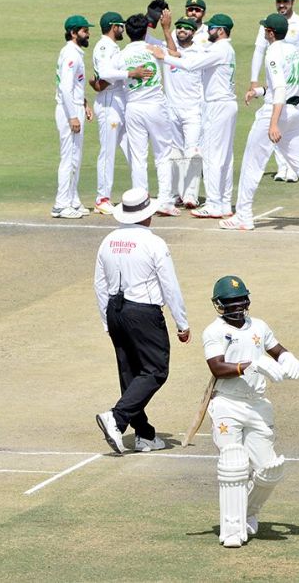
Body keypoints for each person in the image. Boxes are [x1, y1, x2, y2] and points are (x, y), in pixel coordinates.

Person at [202, 275, 299, 548]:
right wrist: (250, 365)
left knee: (270, 469)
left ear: (247, 300)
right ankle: (231, 529)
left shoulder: (259, 326)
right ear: (219, 305)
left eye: (240, 300)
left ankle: (247, 512)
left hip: (257, 405)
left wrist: (286, 357)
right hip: (228, 404)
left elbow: (275, 348)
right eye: (230, 302)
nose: (236, 307)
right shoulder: (214, 331)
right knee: (233, 463)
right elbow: (216, 367)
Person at [221, 13, 299, 232]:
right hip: (293, 111)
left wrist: (273, 123)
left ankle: (244, 216)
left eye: (265, 29)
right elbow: (282, 85)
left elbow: (280, 89)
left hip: (276, 111)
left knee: (252, 163)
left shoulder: (273, 52)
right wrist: (258, 91)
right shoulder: (293, 51)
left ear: (269, 33)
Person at [94, 187, 192, 454]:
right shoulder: (154, 242)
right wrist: (181, 323)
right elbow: (169, 286)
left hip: (115, 310)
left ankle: (144, 435)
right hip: (143, 312)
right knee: (155, 370)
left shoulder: (108, 241)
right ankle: (116, 418)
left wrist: (107, 320)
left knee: (130, 372)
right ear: (146, 215)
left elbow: (100, 285)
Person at [148, 13, 238, 219]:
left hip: (217, 105)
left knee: (213, 156)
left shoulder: (220, 49)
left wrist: (164, 57)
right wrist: (172, 51)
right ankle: (223, 203)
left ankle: (215, 203)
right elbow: (188, 58)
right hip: (223, 104)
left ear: (221, 30)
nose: (207, 32)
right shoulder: (223, 49)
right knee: (224, 156)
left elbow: (190, 65)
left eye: (211, 28)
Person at [250, 0, 299, 183]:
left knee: (289, 121)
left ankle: (292, 167)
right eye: (279, 1)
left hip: (294, 83)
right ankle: (283, 168)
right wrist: (253, 80)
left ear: (293, 2)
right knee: (276, 119)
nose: (282, 5)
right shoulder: (269, 24)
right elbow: (258, 50)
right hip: (275, 79)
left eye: (286, 1)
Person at [89, 12, 153, 215]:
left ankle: (141, 194)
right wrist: (131, 74)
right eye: (120, 26)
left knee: (131, 149)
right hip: (109, 103)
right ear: (113, 27)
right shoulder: (104, 46)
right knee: (108, 151)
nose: (123, 30)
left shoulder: (113, 47)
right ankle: (102, 198)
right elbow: (106, 74)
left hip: (120, 102)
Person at [119, 13, 181, 216]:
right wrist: (166, 28)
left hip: (133, 107)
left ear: (128, 33)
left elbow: (107, 75)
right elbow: (175, 54)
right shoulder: (153, 49)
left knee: (138, 157)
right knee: (163, 154)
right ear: (146, 30)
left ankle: (140, 201)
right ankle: (164, 201)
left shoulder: (121, 55)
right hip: (155, 106)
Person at [158, 16, 206, 209]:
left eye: (186, 28)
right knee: (175, 153)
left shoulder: (200, 51)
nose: (182, 31)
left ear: (193, 32)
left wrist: (166, 30)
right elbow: (170, 51)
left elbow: (176, 56)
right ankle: (179, 193)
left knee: (193, 152)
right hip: (171, 108)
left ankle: (191, 196)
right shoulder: (165, 47)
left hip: (193, 109)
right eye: (179, 28)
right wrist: (165, 28)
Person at [52, 15, 95, 219]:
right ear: (73, 32)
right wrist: (72, 117)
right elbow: (65, 88)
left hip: (75, 107)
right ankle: (61, 204)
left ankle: (73, 199)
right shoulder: (71, 54)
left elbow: (75, 87)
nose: (88, 34)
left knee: (76, 157)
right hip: (69, 110)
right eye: (85, 30)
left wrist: (84, 103)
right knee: (69, 158)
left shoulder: (75, 53)